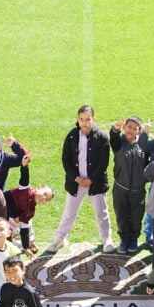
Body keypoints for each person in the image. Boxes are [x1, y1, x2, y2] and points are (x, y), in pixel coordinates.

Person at [49, 105, 113, 253]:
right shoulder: (72, 135)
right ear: (77, 119)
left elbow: (103, 162)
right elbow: (66, 160)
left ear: (93, 119)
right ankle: (60, 238)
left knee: (101, 213)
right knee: (69, 213)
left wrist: (91, 179)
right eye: (81, 119)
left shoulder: (102, 137)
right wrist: (76, 178)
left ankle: (106, 239)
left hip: (95, 184)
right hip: (75, 184)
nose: (84, 123)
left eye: (88, 119)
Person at [110, 117, 148, 254]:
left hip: (138, 191)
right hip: (121, 189)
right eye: (129, 127)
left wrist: (146, 135)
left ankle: (133, 239)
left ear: (139, 131)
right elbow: (113, 139)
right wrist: (115, 130)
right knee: (121, 216)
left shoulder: (143, 144)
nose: (131, 130)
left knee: (136, 217)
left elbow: (149, 165)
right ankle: (124, 239)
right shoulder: (119, 142)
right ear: (124, 127)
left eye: (135, 128)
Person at [5, 166, 54, 254]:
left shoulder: (30, 211)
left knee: (7, 236)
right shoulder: (26, 189)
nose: (43, 197)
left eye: (46, 199)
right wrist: (25, 166)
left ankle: (28, 243)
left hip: (5, 218)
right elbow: (25, 176)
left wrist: (26, 247)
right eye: (44, 193)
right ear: (38, 188)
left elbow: (24, 229)